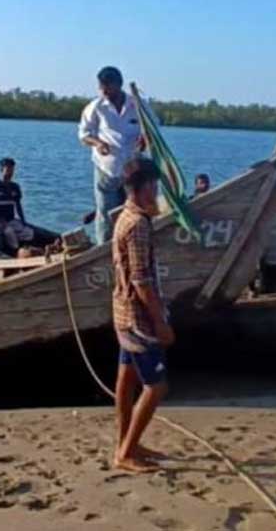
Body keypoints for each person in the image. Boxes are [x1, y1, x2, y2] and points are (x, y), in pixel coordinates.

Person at [112, 156, 174, 473]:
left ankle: (127, 442)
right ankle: (125, 452)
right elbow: (141, 280)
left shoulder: (124, 216)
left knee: (127, 379)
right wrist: (160, 322)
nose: (156, 192)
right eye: (154, 185)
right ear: (144, 186)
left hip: (122, 312)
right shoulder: (137, 225)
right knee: (156, 386)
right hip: (138, 318)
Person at [78, 66, 148, 244]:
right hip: (106, 169)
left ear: (118, 85)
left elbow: (153, 128)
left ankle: (131, 246)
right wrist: (98, 143)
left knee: (133, 212)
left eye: (107, 87)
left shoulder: (137, 104)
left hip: (133, 170)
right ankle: (105, 251)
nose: (104, 91)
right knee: (106, 215)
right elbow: (84, 135)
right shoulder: (96, 107)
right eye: (101, 87)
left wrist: (145, 139)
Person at [0, 157, 35, 253]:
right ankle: (14, 252)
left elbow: (18, 206)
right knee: (9, 232)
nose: (10, 173)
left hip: (10, 220)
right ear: (1, 170)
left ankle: (23, 249)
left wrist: (23, 221)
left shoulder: (15, 187)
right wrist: (1, 221)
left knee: (29, 232)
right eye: (8, 169)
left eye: (12, 170)